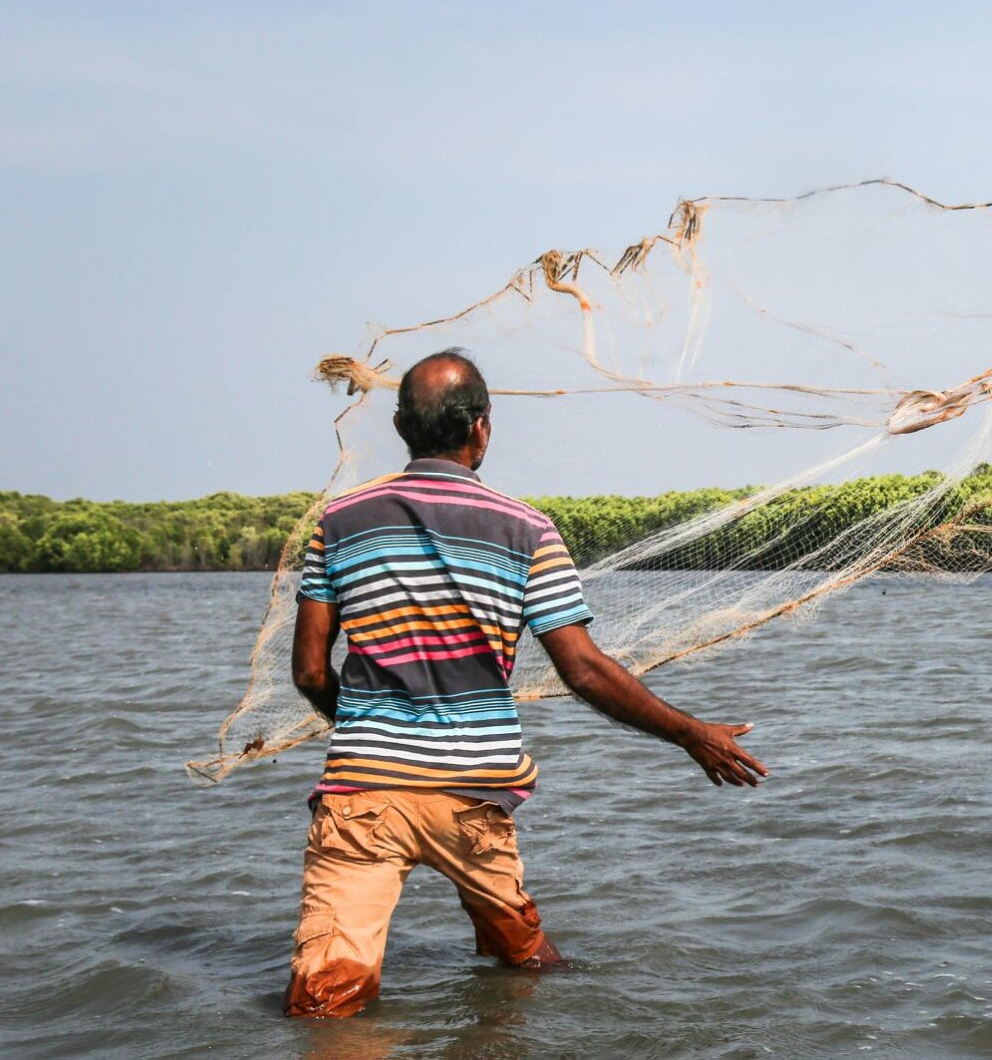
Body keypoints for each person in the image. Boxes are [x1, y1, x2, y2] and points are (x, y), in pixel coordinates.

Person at [283, 349, 766, 1018]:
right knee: (526, 971)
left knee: (326, 1003)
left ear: (401, 429)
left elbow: (309, 671)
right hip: (475, 798)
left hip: (361, 798)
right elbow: (584, 669)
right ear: (482, 427)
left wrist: (371, 731)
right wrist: (693, 735)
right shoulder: (527, 529)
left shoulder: (339, 522)